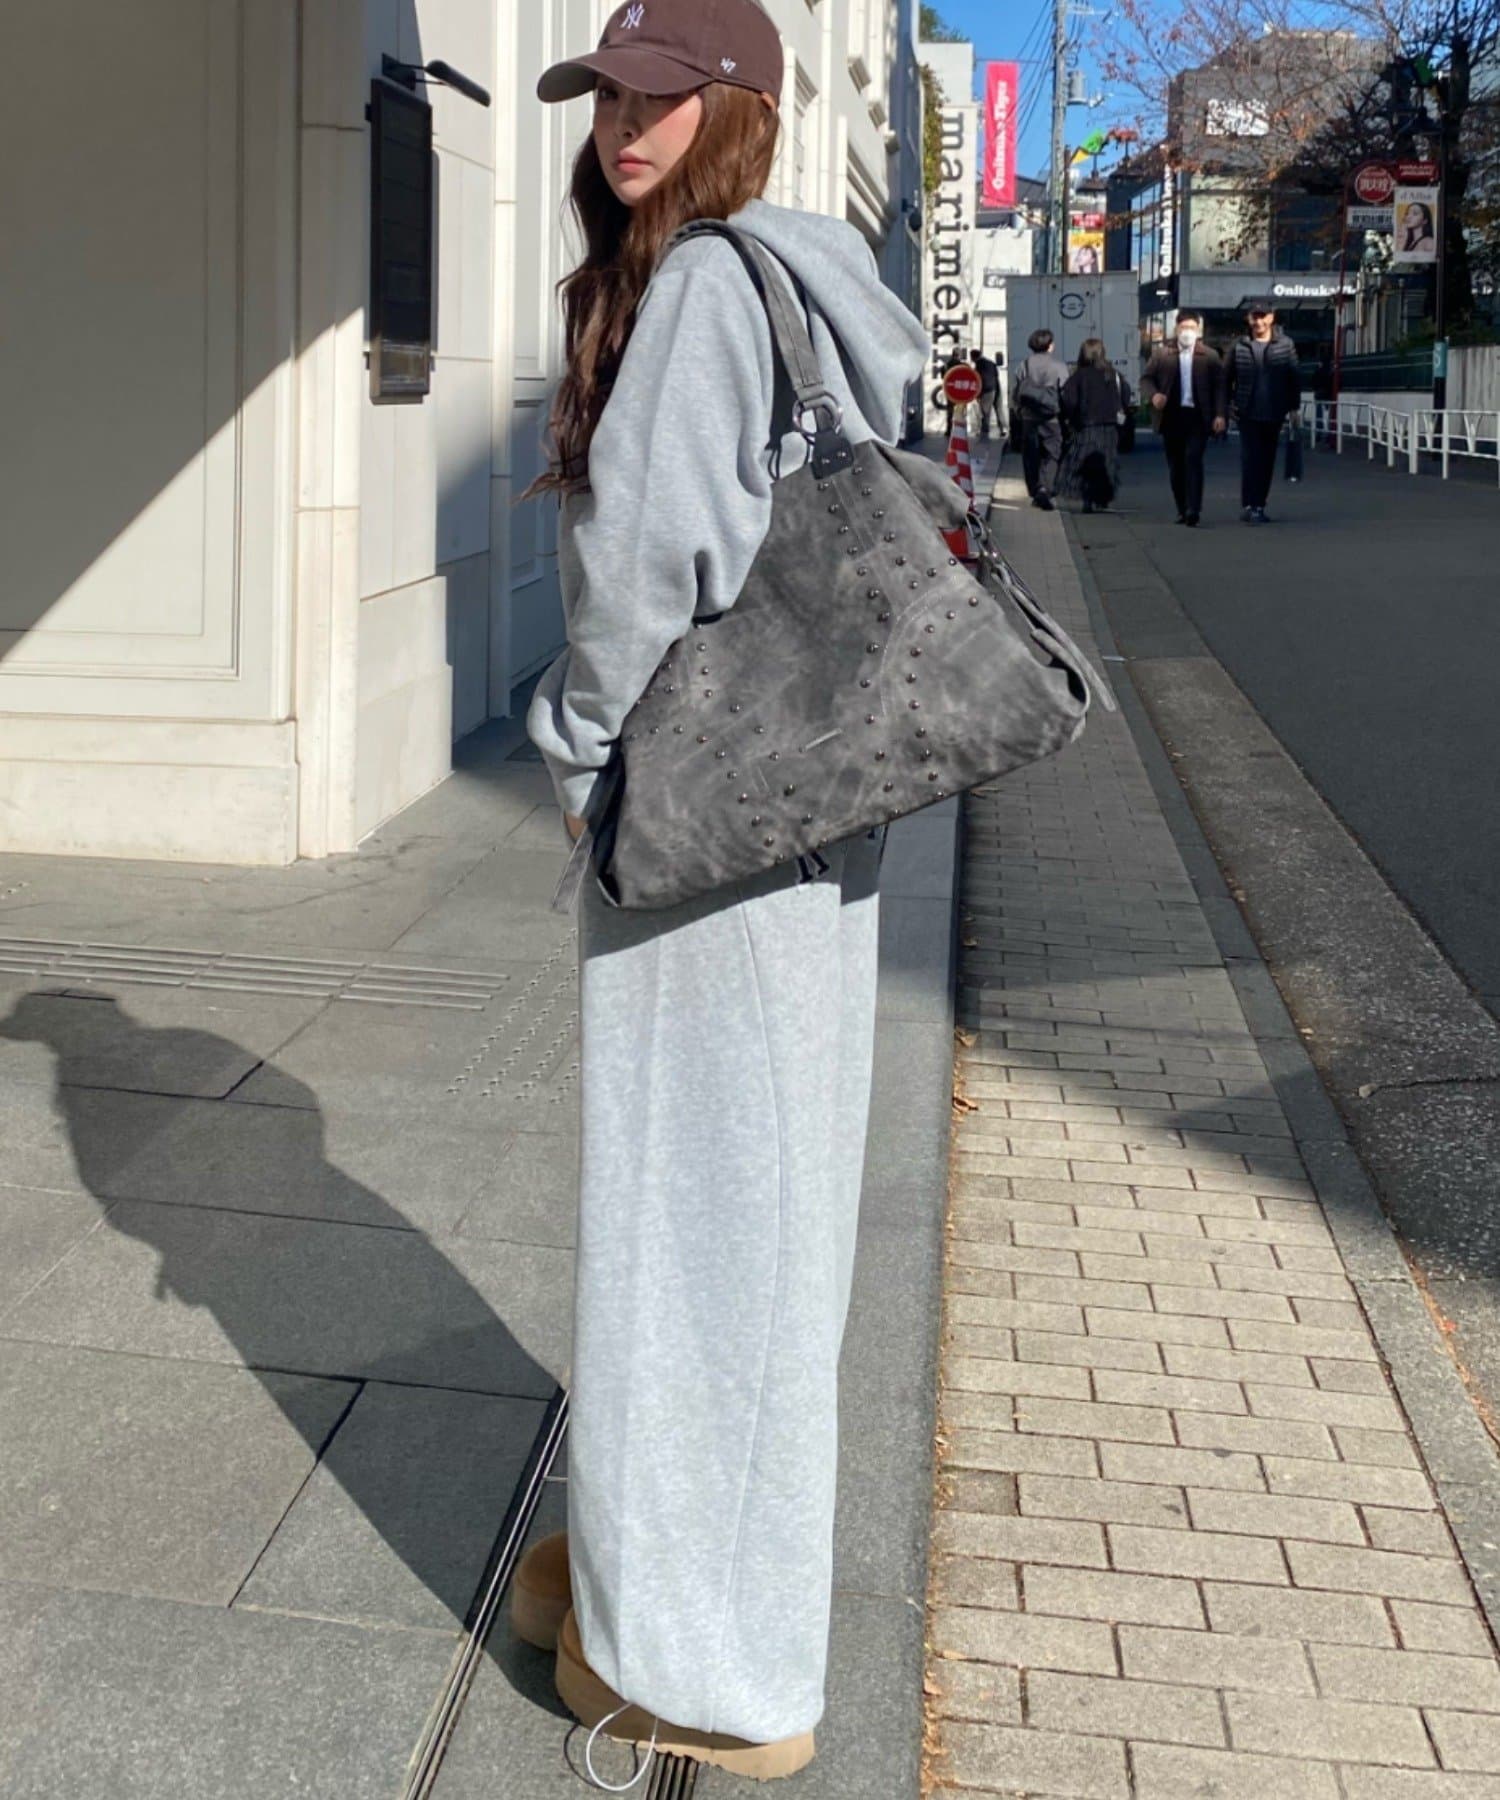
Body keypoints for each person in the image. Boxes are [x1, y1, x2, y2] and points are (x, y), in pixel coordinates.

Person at [519, 0, 929, 1785]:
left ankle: (710, 1665)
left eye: (663, 99)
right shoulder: (828, 280)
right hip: (817, 815)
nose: (626, 126)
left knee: (689, 1227)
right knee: (764, 1227)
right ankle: (652, 1565)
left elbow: (643, 568)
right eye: (612, 93)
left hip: (699, 819)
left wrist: (575, 757)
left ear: (740, 107)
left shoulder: (700, 290)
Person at [1139, 310, 1227, 527]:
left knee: (1193, 459)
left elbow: (1220, 387)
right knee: (1176, 465)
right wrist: (1154, 395)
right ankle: (1182, 507)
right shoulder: (1162, 354)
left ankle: (1193, 509)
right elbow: (1146, 379)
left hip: (1198, 416)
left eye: (1191, 328)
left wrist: (1220, 414)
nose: (1187, 332)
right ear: (1176, 329)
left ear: (1198, 331)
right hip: (1171, 416)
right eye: (1183, 328)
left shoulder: (1209, 356)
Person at [1228, 301, 1302, 523]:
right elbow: (1226, 377)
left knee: (1267, 460)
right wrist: (1227, 405)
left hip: (1274, 412)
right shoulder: (1240, 345)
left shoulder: (1285, 344)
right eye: (1255, 316)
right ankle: (1250, 504)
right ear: (1248, 319)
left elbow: (1293, 377)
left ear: (1271, 318)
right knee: (1250, 458)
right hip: (1246, 412)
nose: (1259, 321)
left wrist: (1294, 408)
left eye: (1263, 316)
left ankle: (1258, 504)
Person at [1059, 338, 1132, 512]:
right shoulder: (1112, 374)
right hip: (1109, 425)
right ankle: (1102, 497)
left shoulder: (1078, 376)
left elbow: (1069, 401)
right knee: (1107, 461)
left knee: (1085, 461)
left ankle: (1087, 498)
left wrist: (1070, 418)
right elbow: (1125, 395)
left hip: (1086, 425)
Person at [1010, 327, 1069, 510]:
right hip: (1051, 418)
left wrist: (1018, 411)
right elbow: (1065, 393)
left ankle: (1035, 490)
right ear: (1049, 345)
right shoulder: (1059, 366)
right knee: (1052, 453)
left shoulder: (1024, 365)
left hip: (1029, 418)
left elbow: (1015, 393)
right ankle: (1045, 487)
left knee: (1030, 455)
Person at [975, 346, 1001, 437]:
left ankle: (985, 430)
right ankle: (1002, 428)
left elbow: (978, 378)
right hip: (995, 387)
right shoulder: (991, 363)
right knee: (998, 409)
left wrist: (978, 394)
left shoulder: (979, 364)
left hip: (986, 390)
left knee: (985, 411)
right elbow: (996, 374)